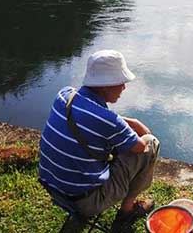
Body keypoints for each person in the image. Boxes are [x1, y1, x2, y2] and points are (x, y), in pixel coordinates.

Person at [38, 50, 159, 233]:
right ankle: (127, 212)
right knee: (151, 143)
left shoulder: (64, 95)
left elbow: (92, 116)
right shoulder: (109, 122)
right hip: (86, 202)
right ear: (105, 86)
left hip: (53, 188)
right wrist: (138, 125)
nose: (124, 88)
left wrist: (126, 121)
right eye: (121, 83)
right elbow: (141, 145)